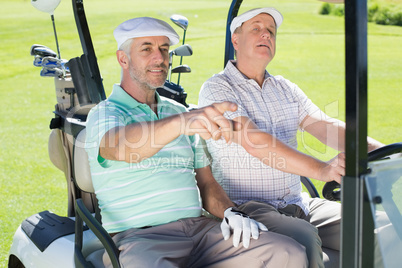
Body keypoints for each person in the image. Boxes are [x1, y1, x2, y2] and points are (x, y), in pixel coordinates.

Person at [84, 16, 308, 267]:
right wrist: (182, 122)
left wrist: (230, 212)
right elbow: (120, 146)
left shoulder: (178, 111)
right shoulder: (105, 113)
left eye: (164, 50)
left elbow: (206, 183)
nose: (159, 58)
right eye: (147, 49)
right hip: (142, 239)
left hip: (202, 231)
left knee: (289, 252)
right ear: (123, 59)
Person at [198, 7, 384, 268]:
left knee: (379, 226)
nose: (266, 34)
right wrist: (322, 169)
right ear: (236, 40)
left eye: (271, 31)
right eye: (256, 28)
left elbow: (327, 128)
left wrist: (385, 152)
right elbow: (253, 141)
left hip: (299, 204)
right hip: (249, 208)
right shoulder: (218, 88)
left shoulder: (285, 88)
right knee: (302, 241)